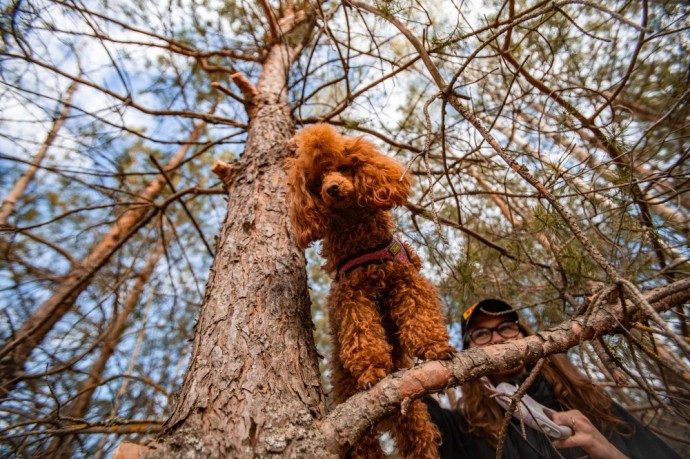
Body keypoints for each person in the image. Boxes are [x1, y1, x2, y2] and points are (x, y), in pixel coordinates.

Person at [424, 298, 682, 459]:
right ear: (470, 354)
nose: (498, 339)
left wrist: (606, 451)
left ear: (525, 335)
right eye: (481, 334)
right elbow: (415, 412)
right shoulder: (464, 430)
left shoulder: (592, 404)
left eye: (506, 327)